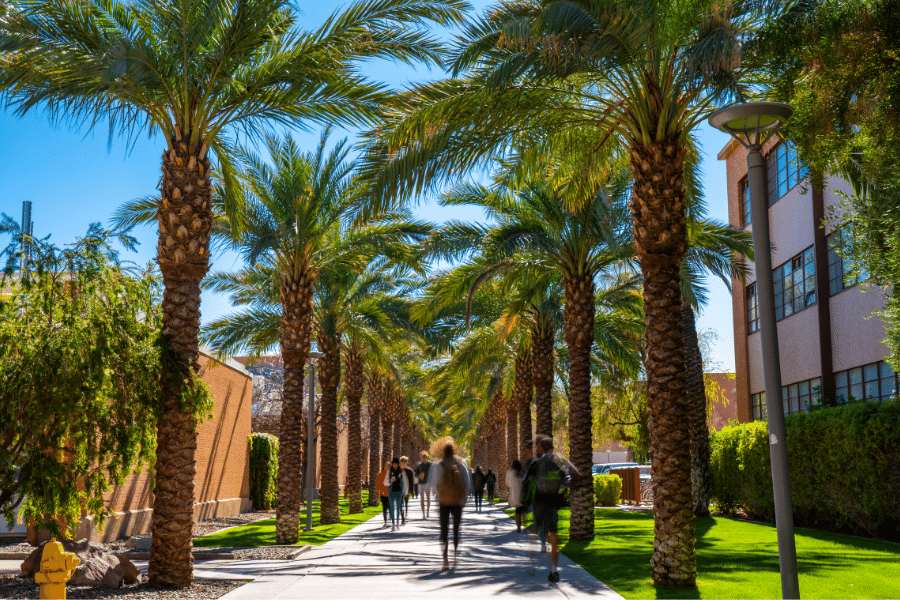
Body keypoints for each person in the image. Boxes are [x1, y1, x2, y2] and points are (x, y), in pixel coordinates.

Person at [525, 434, 573, 583]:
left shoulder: (538, 461)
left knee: (535, 528)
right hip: (553, 503)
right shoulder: (557, 460)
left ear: (541, 447)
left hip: (539, 501)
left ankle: (532, 561)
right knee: (553, 534)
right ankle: (554, 569)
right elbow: (567, 478)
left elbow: (525, 479)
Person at [426, 440, 471, 570]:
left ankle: (445, 558)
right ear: (454, 451)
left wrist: (437, 496)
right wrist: (464, 499)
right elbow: (467, 483)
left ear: (443, 452)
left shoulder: (438, 465)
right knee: (456, 530)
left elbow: (433, 484)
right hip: (457, 502)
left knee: (444, 530)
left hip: (443, 502)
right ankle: (456, 554)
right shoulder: (461, 464)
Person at [383, 457, 408, 531]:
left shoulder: (402, 472)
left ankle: (397, 523)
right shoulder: (389, 472)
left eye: (396, 464)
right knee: (392, 508)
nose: (395, 465)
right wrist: (390, 480)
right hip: (391, 492)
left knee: (398, 508)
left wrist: (405, 492)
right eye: (393, 464)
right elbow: (385, 482)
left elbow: (405, 483)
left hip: (399, 492)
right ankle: (393, 524)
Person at [506, 459, 525, 532]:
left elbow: (506, 483)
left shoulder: (509, 473)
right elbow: (523, 483)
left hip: (513, 495)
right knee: (523, 509)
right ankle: (523, 525)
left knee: (517, 510)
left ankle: (518, 527)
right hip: (521, 494)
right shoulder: (520, 473)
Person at [415, 451, 432, 518]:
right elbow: (416, 473)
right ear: (421, 458)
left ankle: (427, 512)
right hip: (421, 483)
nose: (424, 459)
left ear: (427, 457)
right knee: (422, 498)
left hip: (428, 483)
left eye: (425, 457)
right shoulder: (419, 465)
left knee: (428, 498)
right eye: (423, 458)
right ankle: (423, 514)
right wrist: (419, 475)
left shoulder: (430, 464)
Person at [400, 456, 416, 524]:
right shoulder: (398, 470)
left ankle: (405, 514)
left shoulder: (410, 471)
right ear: (400, 462)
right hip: (400, 489)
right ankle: (402, 517)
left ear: (407, 462)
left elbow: (411, 482)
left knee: (406, 503)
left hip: (407, 489)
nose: (404, 463)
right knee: (400, 504)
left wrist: (411, 491)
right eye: (402, 461)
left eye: (405, 461)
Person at [376, 461, 391, 527]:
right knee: (384, 508)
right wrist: (379, 491)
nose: (387, 468)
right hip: (383, 493)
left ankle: (390, 519)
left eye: (388, 467)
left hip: (390, 494)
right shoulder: (380, 474)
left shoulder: (391, 475)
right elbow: (378, 484)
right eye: (386, 466)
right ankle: (385, 521)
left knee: (390, 507)